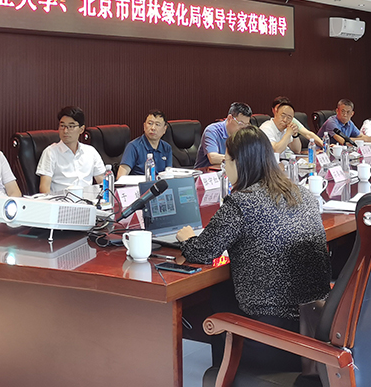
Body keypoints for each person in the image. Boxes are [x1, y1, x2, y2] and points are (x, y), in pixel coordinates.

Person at [176, 125, 330, 367]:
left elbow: (203, 251)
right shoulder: (303, 193)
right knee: (225, 290)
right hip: (315, 328)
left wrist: (186, 238)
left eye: (226, 161)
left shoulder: (242, 202)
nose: (224, 168)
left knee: (218, 296)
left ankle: (226, 372)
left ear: (240, 163)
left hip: (273, 338)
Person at [37, 106, 106, 194]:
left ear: (81, 129)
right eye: (62, 126)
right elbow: (44, 189)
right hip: (62, 200)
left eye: (71, 126)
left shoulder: (90, 152)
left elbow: (102, 182)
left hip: (89, 200)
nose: (65, 131)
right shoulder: (50, 152)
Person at [195, 102, 252, 169]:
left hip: (229, 172)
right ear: (230, 118)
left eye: (246, 124)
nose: (243, 128)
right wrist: (238, 159)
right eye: (240, 123)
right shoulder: (212, 131)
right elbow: (213, 158)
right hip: (206, 173)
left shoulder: (243, 134)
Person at [117, 110, 174, 178]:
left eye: (157, 124)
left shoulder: (167, 148)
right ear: (144, 126)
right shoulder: (133, 146)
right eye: (150, 123)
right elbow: (121, 177)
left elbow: (169, 174)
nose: (153, 128)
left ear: (164, 129)